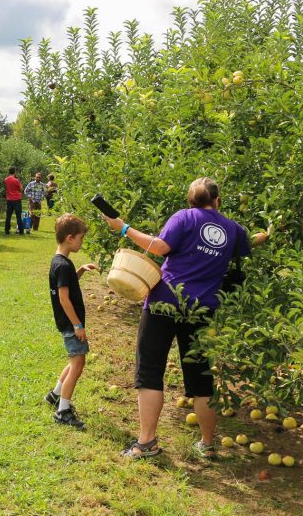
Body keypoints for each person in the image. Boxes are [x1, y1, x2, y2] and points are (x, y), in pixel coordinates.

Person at [102, 177, 268, 459]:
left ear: (191, 201)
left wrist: (124, 228)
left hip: (164, 303)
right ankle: (206, 443)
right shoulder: (233, 229)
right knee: (201, 378)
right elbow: (249, 244)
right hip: (201, 311)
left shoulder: (184, 217)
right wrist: (269, 232)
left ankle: (146, 443)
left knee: (150, 370)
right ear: (217, 200)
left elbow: (159, 247)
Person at [44, 213, 98, 428]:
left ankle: (54, 395)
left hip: (66, 323)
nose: (81, 242)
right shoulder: (63, 265)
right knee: (78, 364)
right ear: (69, 238)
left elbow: (65, 285)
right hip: (70, 324)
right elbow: (65, 299)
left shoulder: (59, 262)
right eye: (81, 238)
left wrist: (80, 270)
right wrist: (78, 325)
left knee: (73, 361)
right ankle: (63, 411)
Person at [3, 167, 24, 235]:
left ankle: (7, 230)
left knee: (8, 216)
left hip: (9, 199)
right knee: (18, 216)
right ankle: (21, 231)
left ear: (9, 172)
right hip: (17, 199)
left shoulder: (6, 180)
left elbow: (6, 188)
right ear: (14, 172)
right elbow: (21, 190)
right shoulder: (16, 180)